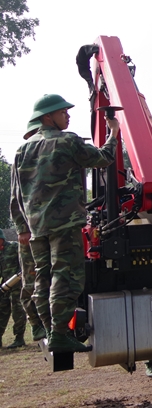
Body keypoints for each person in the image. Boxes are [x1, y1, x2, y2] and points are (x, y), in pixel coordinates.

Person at [10, 94, 119, 353]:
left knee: (42, 279)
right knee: (66, 277)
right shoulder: (67, 141)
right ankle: (59, 334)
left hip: (36, 227)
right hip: (65, 224)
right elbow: (103, 158)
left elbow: (15, 196)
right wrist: (113, 133)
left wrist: (22, 229)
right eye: (63, 112)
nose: (68, 116)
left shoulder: (21, 150)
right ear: (48, 117)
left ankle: (50, 330)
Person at [10, 118, 47, 343]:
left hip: (49, 227)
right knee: (30, 279)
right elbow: (15, 198)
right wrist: (22, 229)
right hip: (30, 231)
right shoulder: (21, 157)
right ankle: (35, 324)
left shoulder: (50, 157)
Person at [0, 235, 26, 348]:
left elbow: (24, 260)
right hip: (5, 285)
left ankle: (19, 338)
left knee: (18, 311)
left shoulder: (13, 246)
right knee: (1, 310)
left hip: (17, 284)